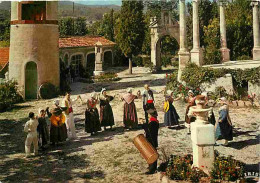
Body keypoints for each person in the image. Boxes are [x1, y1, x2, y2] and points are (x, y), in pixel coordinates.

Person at [143, 108, 159, 174]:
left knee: (152, 154)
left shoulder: (153, 122)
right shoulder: (154, 121)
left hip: (152, 140)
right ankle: (151, 167)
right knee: (151, 153)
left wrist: (144, 127)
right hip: (153, 139)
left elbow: (150, 132)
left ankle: (152, 169)